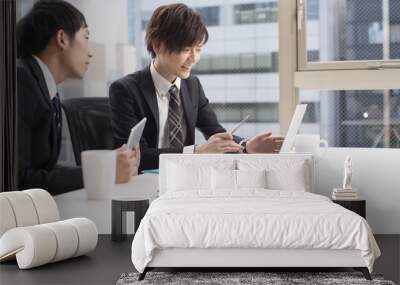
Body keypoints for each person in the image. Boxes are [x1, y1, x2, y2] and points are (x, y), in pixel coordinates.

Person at [109, 3, 283, 171]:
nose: (194, 58)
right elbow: (138, 158)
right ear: (157, 45)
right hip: (144, 185)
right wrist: (197, 152)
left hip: (185, 182)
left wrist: (247, 146)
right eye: (186, 49)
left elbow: (215, 132)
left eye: (198, 49)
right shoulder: (125, 90)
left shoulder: (193, 85)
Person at [17, 0, 140, 195]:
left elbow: (43, 171)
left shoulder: (44, 87)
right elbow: (18, 180)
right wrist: (105, 171)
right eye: (86, 37)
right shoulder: (21, 81)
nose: (91, 52)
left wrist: (107, 163)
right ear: (62, 38)